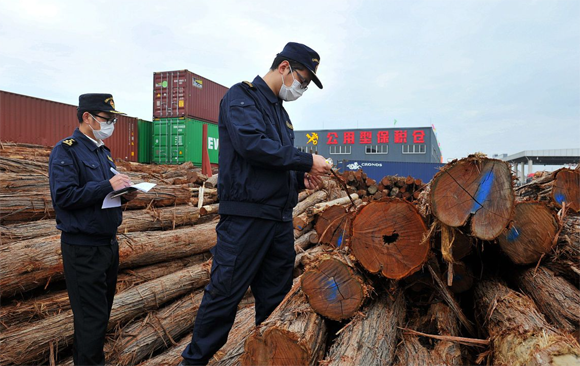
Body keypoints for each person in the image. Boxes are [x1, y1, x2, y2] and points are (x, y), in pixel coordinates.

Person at [179, 42, 331, 366]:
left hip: (278, 221)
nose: (302, 88)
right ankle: (192, 362)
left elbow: (273, 166)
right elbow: (252, 146)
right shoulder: (242, 97)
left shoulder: (282, 115)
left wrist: (297, 180)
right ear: (284, 68)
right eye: (302, 80)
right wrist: (306, 160)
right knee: (223, 299)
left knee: (275, 301)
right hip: (246, 220)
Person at [48, 93, 138, 366]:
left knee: (100, 316)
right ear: (87, 117)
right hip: (83, 247)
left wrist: (125, 194)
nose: (111, 124)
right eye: (107, 118)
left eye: (113, 119)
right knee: (91, 319)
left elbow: (103, 197)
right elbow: (64, 197)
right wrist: (107, 186)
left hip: (107, 245)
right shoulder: (67, 150)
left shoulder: (102, 153)